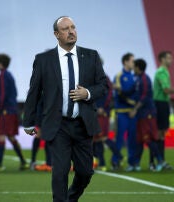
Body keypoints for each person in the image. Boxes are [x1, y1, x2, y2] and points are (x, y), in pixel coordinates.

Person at [23, 16, 108, 202]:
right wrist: (28, 122)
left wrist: (87, 93)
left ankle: (71, 198)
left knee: (85, 172)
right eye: (65, 29)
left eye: (73, 27)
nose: (71, 31)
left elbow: (103, 86)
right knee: (59, 173)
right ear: (56, 34)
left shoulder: (91, 56)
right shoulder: (43, 59)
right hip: (58, 125)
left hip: (83, 124)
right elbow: (34, 92)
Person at [151, 51, 174, 170]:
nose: (171, 60)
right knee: (159, 133)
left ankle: (159, 161)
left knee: (161, 133)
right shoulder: (161, 72)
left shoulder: (164, 72)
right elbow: (166, 90)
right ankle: (158, 162)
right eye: (169, 58)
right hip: (160, 103)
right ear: (162, 59)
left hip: (163, 103)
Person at [0, 53, 28, 171]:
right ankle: (23, 162)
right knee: (10, 136)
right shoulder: (9, 75)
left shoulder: (3, 75)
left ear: (0, 63)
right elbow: (14, 93)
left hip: (5, 111)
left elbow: (2, 94)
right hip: (12, 109)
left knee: (2, 135)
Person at [130, 59, 164, 172]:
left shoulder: (145, 79)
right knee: (139, 139)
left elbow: (144, 97)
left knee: (148, 139)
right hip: (141, 114)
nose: (133, 69)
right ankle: (137, 164)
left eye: (134, 66)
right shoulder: (139, 79)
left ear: (138, 68)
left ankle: (160, 161)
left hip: (147, 114)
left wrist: (135, 109)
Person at [112, 53, 137, 171]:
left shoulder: (134, 77)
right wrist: (132, 103)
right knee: (119, 138)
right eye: (132, 61)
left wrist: (135, 106)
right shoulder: (119, 76)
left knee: (132, 138)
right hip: (121, 112)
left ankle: (132, 163)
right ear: (125, 62)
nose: (134, 63)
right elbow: (118, 94)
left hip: (132, 113)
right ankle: (115, 161)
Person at [93, 74, 122, 172]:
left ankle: (118, 156)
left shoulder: (104, 78)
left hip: (102, 113)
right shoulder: (91, 76)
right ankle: (101, 163)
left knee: (102, 137)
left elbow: (109, 94)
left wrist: (102, 107)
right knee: (96, 139)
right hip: (94, 112)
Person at [30, 98, 52, 172]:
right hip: (44, 115)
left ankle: (49, 163)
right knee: (44, 136)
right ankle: (48, 163)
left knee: (45, 137)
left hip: (48, 114)